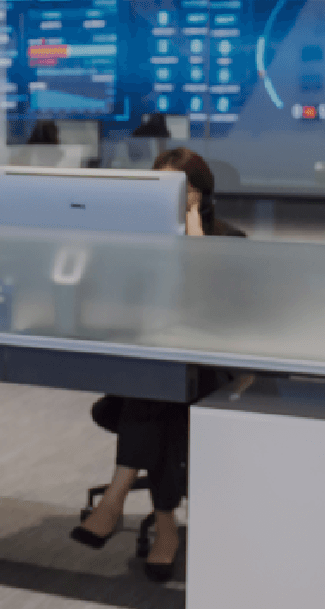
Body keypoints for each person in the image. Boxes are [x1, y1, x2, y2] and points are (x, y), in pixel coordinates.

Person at [70, 147, 243, 583]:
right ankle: (164, 524)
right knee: (161, 390)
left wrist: (195, 238)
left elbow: (219, 312)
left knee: (161, 392)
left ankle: (116, 498)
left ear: (199, 194)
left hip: (209, 367)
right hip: (156, 364)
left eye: (178, 188)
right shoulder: (143, 242)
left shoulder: (229, 240)